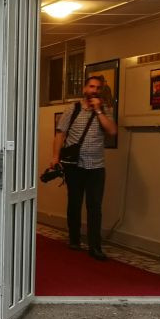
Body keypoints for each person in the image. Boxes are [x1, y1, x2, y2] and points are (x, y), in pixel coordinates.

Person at [51, 74, 118, 261]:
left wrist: (98, 111)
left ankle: (95, 246)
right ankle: (74, 239)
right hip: (75, 166)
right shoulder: (73, 109)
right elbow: (60, 134)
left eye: (98, 87)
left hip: (96, 167)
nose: (94, 90)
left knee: (94, 206)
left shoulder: (104, 110)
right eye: (91, 86)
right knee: (74, 203)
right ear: (85, 89)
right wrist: (55, 157)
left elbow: (112, 131)